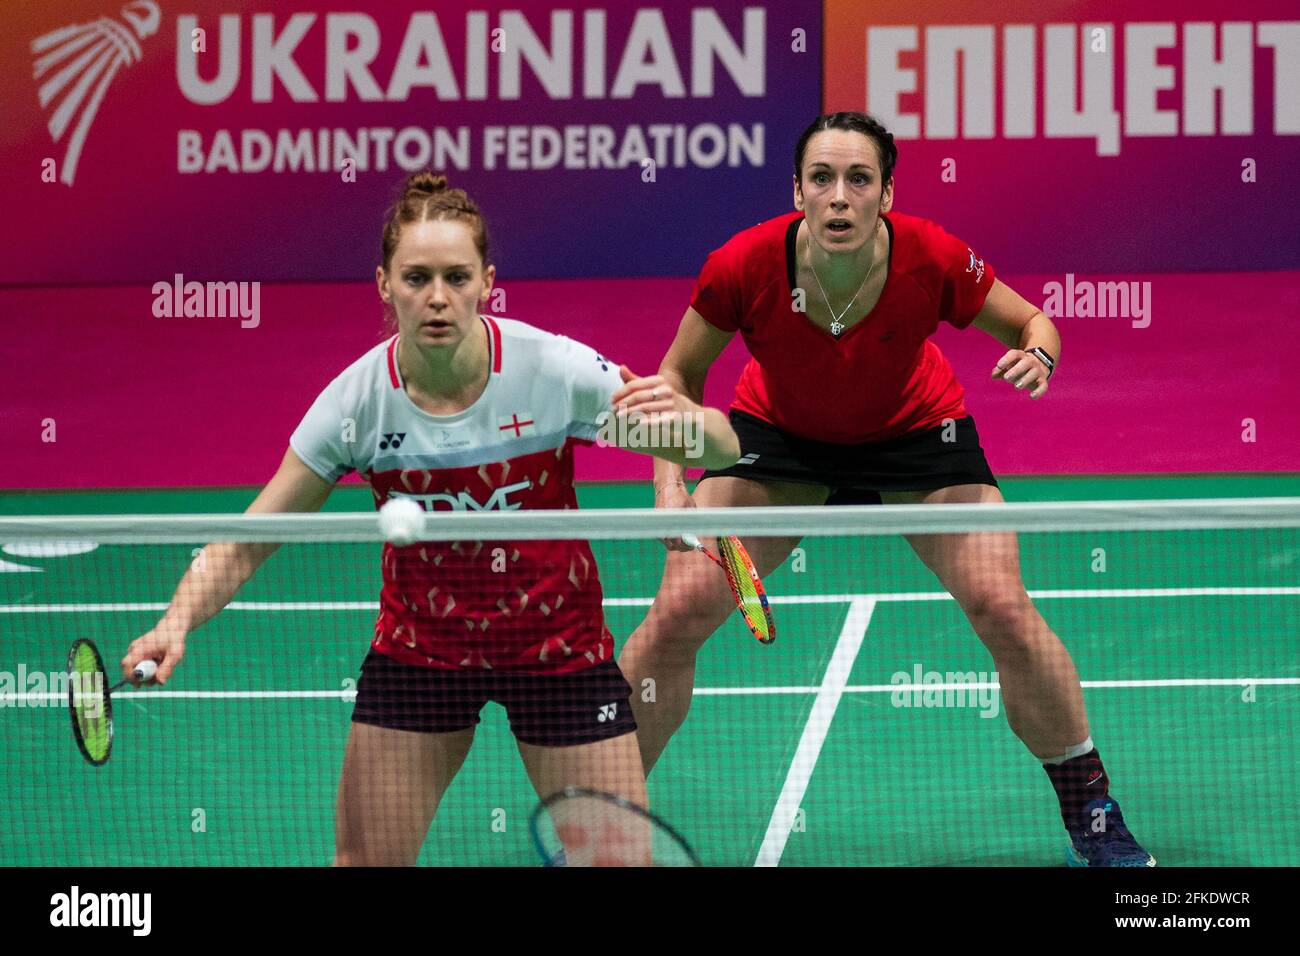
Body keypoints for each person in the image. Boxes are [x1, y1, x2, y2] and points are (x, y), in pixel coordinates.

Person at [121, 172, 740, 866]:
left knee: (620, 863)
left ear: (486, 282)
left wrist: (694, 426)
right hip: (423, 652)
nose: (437, 297)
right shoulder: (357, 402)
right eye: (417, 278)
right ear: (385, 284)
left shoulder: (553, 371)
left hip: (558, 648)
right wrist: (175, 619)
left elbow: (715, 444)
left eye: (456, 276)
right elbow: (249, 539)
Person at [617, 112, 1155, 867]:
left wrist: (1041, 355)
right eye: (822, 180)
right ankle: (601, 821)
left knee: (1003, 606)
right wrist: (669, 489)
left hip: (918, 441)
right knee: (676, 612)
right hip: (779, 443)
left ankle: (1093, 816)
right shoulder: (742, 264)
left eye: (858, 180)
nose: (839, 198)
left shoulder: (931, 256)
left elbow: (1031, 320)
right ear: (796, 192)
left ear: (886, 194)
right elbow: (675, 378)